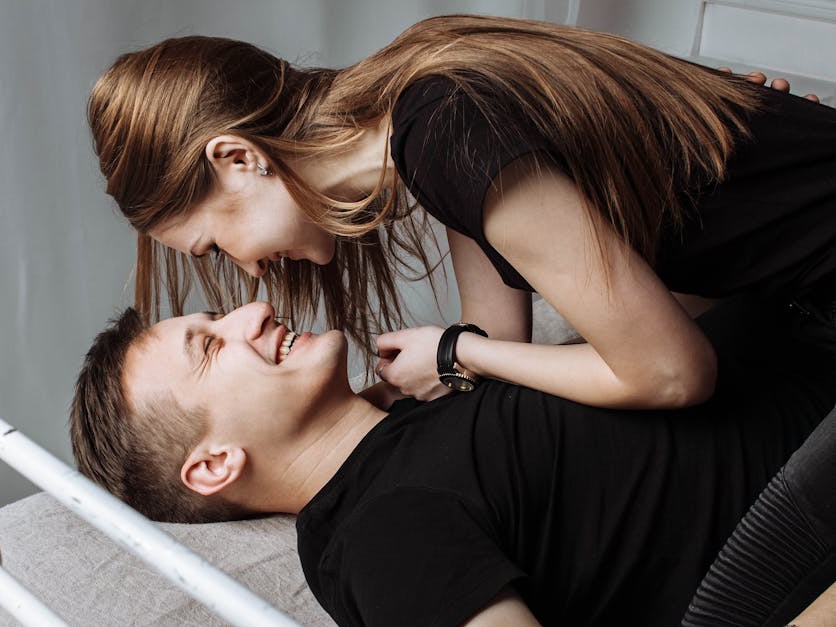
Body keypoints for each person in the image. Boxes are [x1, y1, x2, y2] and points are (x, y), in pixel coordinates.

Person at [87, 15, 836, 410]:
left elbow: (671, 374)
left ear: (236, 157)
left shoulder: (447, 132)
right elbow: (498, 338)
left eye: (215, 245)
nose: (249, 273)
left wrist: (456, 354)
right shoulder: (422, 106)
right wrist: (381, 393)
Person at [70, 298, 836, 626]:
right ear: (213, 465)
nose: (254, 310)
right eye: (211, 345)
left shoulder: (421, 412)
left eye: (218, 312)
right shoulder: (380, 536)